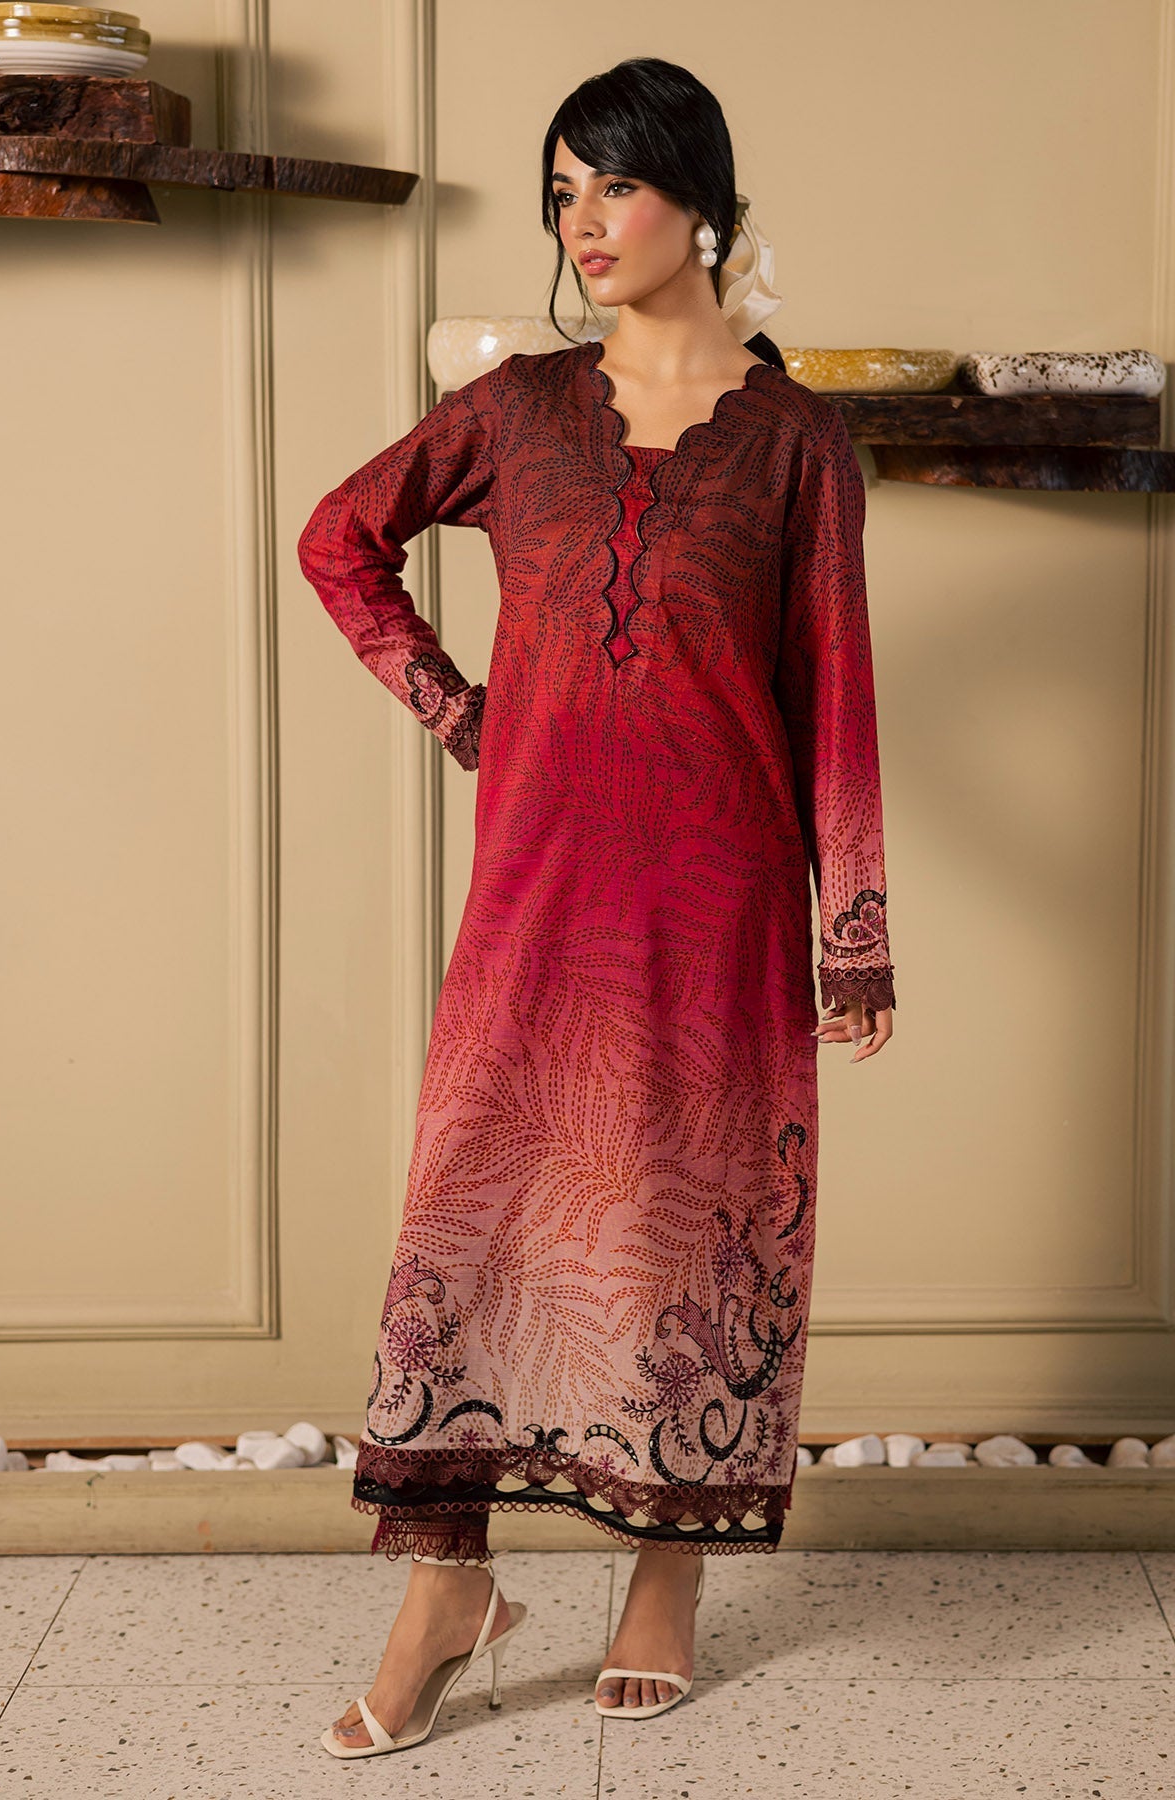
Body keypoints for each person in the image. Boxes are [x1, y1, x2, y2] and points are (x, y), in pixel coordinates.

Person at [298, 54, 896, 1760]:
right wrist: (465, 715)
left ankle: (665, 1578)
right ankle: (446, 1591)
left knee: (689, 1225)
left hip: (721, 902)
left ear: (699, 199)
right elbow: (340, 540)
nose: (584, 219)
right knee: (475, 1214)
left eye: (615, 184)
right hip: (540, 889)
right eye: (564, 190)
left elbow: (836, 695)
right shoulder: (518, 409)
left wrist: (854, 927)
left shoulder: (798, 442)